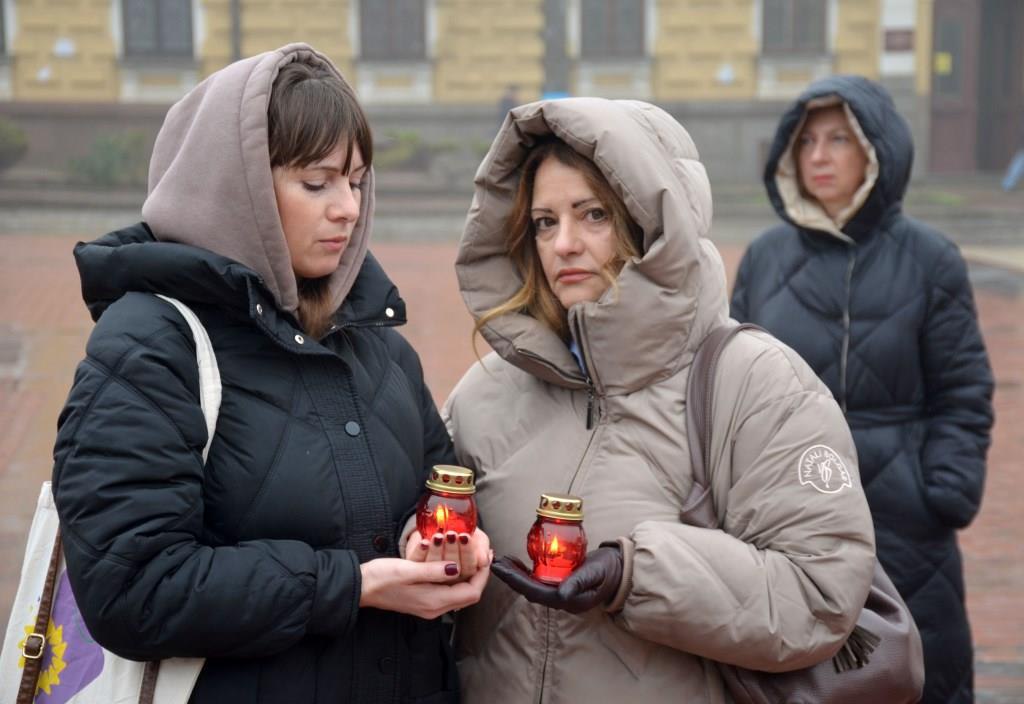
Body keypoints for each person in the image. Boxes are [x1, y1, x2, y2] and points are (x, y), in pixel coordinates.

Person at [51, 43, 489, 704]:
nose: (347, 208)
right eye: (318, 182)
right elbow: (130, 588)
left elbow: (435, 487)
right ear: (240, 187)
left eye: (357, 182)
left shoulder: (377, 343)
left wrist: (439, 541)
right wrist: (353, 585)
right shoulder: (151, 344)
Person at [443, 97, 876, 703]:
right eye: (544, 221)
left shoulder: (757, 384)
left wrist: (636, 574)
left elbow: (819, 593)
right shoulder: (483, 393)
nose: (563, 243)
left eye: (592, 215)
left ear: (652, 225)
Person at [731, 75, 994, 704]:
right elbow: (729, 384)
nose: (817, 156)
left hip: (907, 522)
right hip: (787, 514)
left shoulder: (931, 260)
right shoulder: (765, 259)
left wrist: (945, 490)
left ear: (878, 149)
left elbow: (963, 391)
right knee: (798, 678)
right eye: (805, 141)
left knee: (917, 674)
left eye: (839, 140)